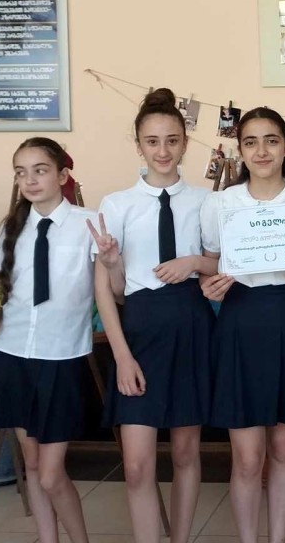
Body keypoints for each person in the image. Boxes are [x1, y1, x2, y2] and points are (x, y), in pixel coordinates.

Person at [197, 107, 285, 543]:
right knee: (246, 458)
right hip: (240, 324)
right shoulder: (221, 204)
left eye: (271, 140)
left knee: (283, 448)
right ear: (240, 150)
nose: (262, 151)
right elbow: (213, 266)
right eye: (251, 142)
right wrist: (207, 284)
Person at [91, 88, 217, 543]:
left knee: (185, 452)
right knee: (137, 464)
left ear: (185, 143)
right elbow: (111, 291)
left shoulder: (206, 201)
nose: (162, 151)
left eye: (172, 140)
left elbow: (222, 266)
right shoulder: (116, 204)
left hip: (191, 326)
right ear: (139, 145)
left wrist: (194, 263)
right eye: (152, 141)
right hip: (139, 333)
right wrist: (122, 355)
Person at [0, 137, 97, 543]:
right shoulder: (10, 229)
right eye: (21, 172)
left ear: (62, 175)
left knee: (50, 473)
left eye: (40, 170)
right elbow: (2, 304)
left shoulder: (89, 224)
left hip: (60, 359)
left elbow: (111, 290)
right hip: (11, 357)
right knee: (31, 464)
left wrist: (113, 261)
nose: (29, 180)